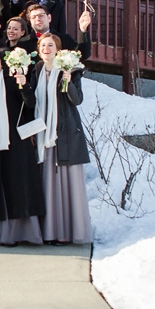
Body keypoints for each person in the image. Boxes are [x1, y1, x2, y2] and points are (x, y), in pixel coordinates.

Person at [0, 49, 45, 246]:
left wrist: (23, 85)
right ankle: (3, 235)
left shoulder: (12, 79)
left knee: (17, 186)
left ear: (2, 62)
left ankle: (24, 233)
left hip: (15, 142)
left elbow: (30, 103)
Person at [29, 35, 92, 246]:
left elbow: (77, 100)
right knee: (46, 182)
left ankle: (65, 232)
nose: (46, 48)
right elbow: (31, 100)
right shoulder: (36, 69)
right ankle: (47, 231)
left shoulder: (71, 69)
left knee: (64, 184)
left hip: (63, 134)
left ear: (58, 49)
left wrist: (66, 79)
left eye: (51, 45)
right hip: (41, 132)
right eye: (43, 45)